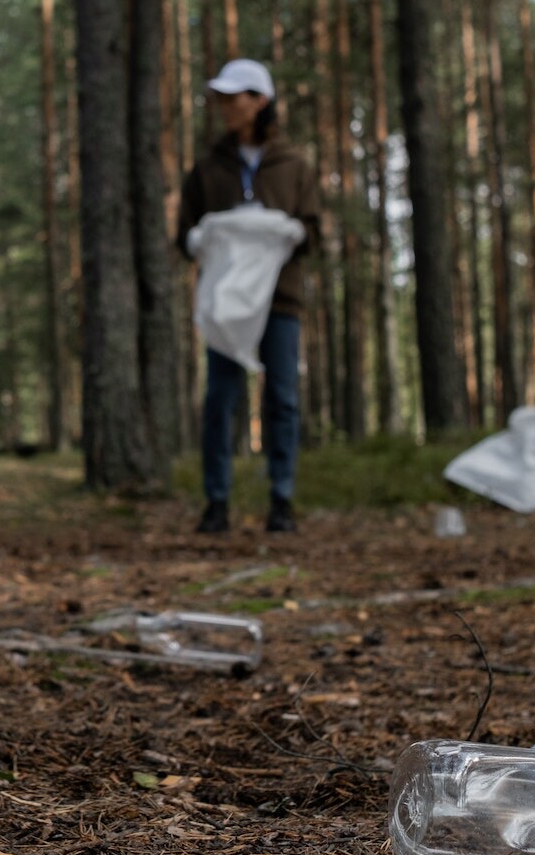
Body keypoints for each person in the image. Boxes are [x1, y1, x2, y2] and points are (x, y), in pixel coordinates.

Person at [177, 59, 322, 535]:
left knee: (282, 398)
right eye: (219, 98)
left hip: (279, 300)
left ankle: (282, 500)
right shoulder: (208, 168)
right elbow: (185, 232)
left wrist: (290, 232)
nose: (224, 107)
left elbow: (314, 232)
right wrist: (198, 239)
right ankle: (216, 502)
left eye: (232, 97)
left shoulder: (294, 165)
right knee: (220, 399)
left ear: (260, 101)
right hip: (225, 304)